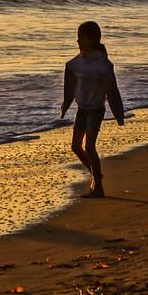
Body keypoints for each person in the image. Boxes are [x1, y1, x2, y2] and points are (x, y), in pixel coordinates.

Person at [60, 21, 126, 198]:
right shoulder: (77, 62)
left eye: (81, 37)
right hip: (82, 108)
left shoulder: (102, 64)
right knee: (75, 146)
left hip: (96, 109)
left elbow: (112, 90)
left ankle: (98, 187)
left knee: (89, 147)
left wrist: (118, 114)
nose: (78, 40)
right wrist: (65, 105)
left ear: (92, 39)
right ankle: (96, 175)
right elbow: (70, 83)